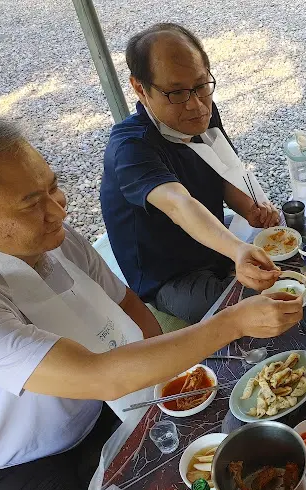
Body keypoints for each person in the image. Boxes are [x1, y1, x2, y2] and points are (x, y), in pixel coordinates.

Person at [0, 114, 303, 490]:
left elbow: (126, 303)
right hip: (24, 451)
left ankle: (122, 457)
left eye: (54, 187)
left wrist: (170, 375)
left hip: (108, 394)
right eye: (31, 204)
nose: (58, 211)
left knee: (199, 437)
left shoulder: (55, 237)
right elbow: (96, 375)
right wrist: (233, 322)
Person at [100, 22, 281, 323]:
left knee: (289, 258)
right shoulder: (130, 147)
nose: (196, 105)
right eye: (176, 92)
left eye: (201, 85)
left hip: (216, 242)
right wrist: (237, 249)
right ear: (140, 88)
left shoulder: (200, 112)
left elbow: (222, 170)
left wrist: (251, 208)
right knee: (262, 303)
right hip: (171, 274)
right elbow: (178, 204)